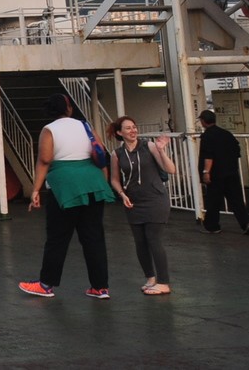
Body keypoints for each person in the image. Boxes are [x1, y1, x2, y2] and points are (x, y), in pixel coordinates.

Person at [19, 93, 115, 299]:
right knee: (94, 237)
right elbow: (100, 155)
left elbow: (44, 160)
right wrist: (102, 182)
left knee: (58, 237)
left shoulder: (49, 130)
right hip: (92, 184)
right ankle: (100, 287)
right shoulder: (86, 126)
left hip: (65, 186)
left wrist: (35, 190)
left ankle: (46, 284)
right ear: (69, 108)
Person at [107, 116, 176, 295]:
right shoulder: (117, 154)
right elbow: (114, 179)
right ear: (119, 133)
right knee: (140, 242)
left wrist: (162, 151)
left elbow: (171, 169)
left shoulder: (149, 146)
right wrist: (122, 194)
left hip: (155, 199)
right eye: (128, 128)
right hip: (133, 201)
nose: (133, 130)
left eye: (134, 127)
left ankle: (164, 282)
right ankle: (151, 278)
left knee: (154, 239)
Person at [198, 109, 249, 235]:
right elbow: (236, 150)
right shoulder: (226, 134)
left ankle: (212, 226)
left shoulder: (207, 136)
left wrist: (206, 172)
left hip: (216, 174)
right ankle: (247, 223)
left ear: (203, 121)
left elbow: (208, 156)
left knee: (213, 201)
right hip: (231, 172)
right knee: (236, 200)